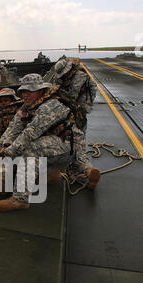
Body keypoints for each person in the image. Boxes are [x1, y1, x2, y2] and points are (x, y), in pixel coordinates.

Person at [0, 73, 74, 212]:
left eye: (30, 91)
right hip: (48, 145)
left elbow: (31, 132)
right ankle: (51, 175)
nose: (25, 95)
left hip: (64, 147)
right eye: (23, 91)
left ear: (41, 90)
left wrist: (10, 151)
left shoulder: (51, 105)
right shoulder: (26, 107)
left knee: (29, 148)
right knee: (15, 147)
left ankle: (20, 199)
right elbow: (13, 128)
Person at [53, 57, 100, 189]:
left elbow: (71, 98)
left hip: (81, 108)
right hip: (72, 107)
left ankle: (80, 168)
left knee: (77, 135)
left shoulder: (80, 77)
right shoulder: (65, 76)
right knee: (73, 137)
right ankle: (84, 168)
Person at [0, 88, 23, 152]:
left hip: (16, 141)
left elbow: (15, 129)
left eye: (6, 100)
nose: (3, 103)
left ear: (13, 100)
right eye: (1, 101)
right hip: (1, 142)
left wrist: (0, 145)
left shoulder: (20, 110)